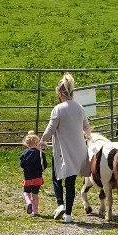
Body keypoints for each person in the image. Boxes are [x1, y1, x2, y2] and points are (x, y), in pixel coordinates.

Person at [40, 72, 91, 224]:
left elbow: (50, 129)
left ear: (61, 92)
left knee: (56, 177)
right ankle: (68, 214)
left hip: (63, 151)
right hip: (78, 151)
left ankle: (60, 204)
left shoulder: (58, 109)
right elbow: (86, 127)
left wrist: (42, 140)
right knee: (71, 182)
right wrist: (88, 139)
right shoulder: (80, 107)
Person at [19, 130, 47, 217]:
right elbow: (44, 165)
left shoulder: (24, 154)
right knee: (35, 195)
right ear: (36, 144)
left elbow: (22, 165)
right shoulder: (41, 154)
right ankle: (35, 212)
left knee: (26, 192)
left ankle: (28, 202)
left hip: (28, 177)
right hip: (37, 178)